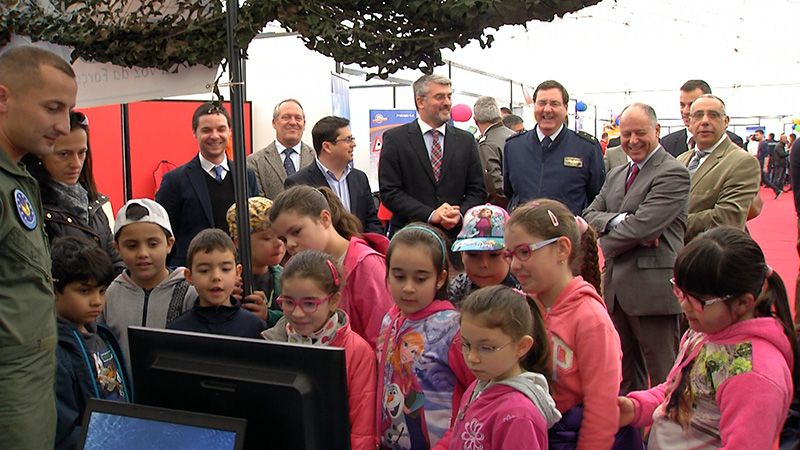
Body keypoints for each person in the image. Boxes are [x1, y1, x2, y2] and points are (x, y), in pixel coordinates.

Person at [619, 227, 798, 449]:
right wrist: (635, 408)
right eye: (680, 292)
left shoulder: (753, 374)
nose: (684, 305)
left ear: (743, 302)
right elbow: (678, 392)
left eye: (698, 301)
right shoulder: (704, 330)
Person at [505, 199, 631, 450]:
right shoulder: (522, 307)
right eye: (509, 254)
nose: (514, 265)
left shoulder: (590, 319)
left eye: (524, 252)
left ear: (562, 249)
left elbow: (602, 410)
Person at [0, 45, 77, 449]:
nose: (63, 125)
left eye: (67, 110)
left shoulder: (19, 175)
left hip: (30, 389)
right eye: (52, 108)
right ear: (3, 98)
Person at [584, 103, 690, 394]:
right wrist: (620, 220)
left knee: (664, 377)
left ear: (657, 131)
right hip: (617, 289)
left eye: (640, 133)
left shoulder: (673, 173)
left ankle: (665, 435)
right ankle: (630, 436)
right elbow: (589, 214)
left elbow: (644, 227)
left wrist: (603, 237)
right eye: (626, 133)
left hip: (653, 291)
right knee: (623, 374)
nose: (632, 141)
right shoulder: (617, 173)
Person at [261, 250, 377, 450]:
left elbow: (362, 431)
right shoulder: (271, 342)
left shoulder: (357, 352)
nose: (297, 313)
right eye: (288, 302)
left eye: (309, 303)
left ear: (333, 301)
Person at [377, 224, 473, 448]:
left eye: (420, 279)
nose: (408, 288)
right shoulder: (388, 321)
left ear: (440, 279)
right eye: (399, 276)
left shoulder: (453, 329)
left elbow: (475, 391)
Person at [434, 286, 561, 450]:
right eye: (466, 344)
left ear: (522, 346)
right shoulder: (479, 385)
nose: (472, 357)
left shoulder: (519, 415)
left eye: (486, 348)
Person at [269, 185, 392, 348]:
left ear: (325, 219)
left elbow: (383, 339)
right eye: (283, 239)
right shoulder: (294, 266)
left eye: (296, 231)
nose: (290, 244)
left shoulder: (366, 265)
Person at [378, 73, 486, 243]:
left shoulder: (465, 140)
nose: (448, 102)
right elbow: (390, 192)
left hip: (456, 238)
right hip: (411, 237)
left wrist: (459, 214)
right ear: (420, 101)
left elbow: (477, 190)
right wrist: (430, 214)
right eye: (439, 97)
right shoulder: (396, 139)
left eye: (449, 96)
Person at [155, 102, 261, 267]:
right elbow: (163, 233)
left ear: (230, 132)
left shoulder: (246, 175)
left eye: (221, 129)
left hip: (239, 272)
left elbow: (257, 227)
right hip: (192, 274)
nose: (214, 135)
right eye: (206, 130)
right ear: (194, 133)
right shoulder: (174, 181)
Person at [53, 236, 132, 449]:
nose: (97, 300)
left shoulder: (102, 337)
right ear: (54, 291)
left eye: (102, 291)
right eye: (84, 291)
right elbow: (64, 430)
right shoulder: (58, 352)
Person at [23, 110, 124, 274]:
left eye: (82, 153)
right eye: (64, 154)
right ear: (40, 154)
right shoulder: (31, 205)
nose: (76, 163)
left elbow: (116, 260)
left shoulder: (94, 201)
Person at [101, 198, 196, 368]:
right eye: (132, 246)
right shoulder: (109, 296)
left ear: (169, 244)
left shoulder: (190, 292)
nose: (143, 253)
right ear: (117, 248)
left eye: (152, 244)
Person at [503, 80, 605, 215]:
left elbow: (596, 196)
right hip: (524, 231)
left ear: (565, 108)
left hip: (567, 233)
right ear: (534, 106)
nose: (547, 109)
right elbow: (510, 192)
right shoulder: (514, 146)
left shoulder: (587, 148)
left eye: (554, 104)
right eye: (542, 103)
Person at [676, 95, 760, 243]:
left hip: (711, 258)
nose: (705, 121)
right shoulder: (680, 160)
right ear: (689, 122)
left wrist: (669, 225)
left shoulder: (743, 162)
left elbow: (727, 219)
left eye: (713, 115)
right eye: (698, 115)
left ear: (726, 121)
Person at [285, 115, 382, 233]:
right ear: (327, 147)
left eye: (352, 138)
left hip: (360, 249)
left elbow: (372, 221)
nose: (353, 144)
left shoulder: (359, 178)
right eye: (348, 140)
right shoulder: (299, 183)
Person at [168, 228, 266, 338]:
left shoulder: (255, 327)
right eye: (204, 270)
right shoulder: (178, 331)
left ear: (238, 272)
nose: (216, 277)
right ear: (189, 276)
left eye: (225, 269)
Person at [226, 196, 285, 327]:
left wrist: (268, 316)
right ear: (238, 241)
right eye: (267, 238)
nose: (279, 243)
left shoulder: (287, 278)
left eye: (281, 236)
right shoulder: (227, 280)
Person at [449, 204, 520, 304]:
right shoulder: (456, 290)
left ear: (511, 255)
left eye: (494, 255)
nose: (483, 264)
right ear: (462, 255)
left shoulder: (525, 290)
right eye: (473, 254)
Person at [247, 98, 315, 200]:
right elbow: (258, 206)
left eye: (298, 118)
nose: (293, 122)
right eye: (286, 117)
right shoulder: (254, 162)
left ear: (304, 124)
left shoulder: (316, 158)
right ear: (274, 123)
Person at [660, 80, 744, 158]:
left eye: (692, 105)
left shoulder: (733, 142)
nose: (685, 111)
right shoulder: (667, 143)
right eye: (682, 105)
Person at [473, 96, 516, 208]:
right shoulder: (515, 136)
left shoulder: (487, 144)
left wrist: (510, 205)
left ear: (475, 121)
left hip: (501, 208)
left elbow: (494, 184)